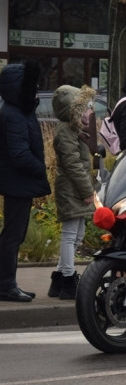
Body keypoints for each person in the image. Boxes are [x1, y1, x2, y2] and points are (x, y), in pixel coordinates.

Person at [0, 63, 51, 302]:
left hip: (18, 182)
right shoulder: (14, 114)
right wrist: (40, 168)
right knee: (13, 235)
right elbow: (19, 153)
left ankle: (8, 283)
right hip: (17, 183)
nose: (37, 88)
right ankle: (6, 284)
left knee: (14, 234)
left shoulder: (19, 111)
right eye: (32, 85)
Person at [48, 85, 97, 300]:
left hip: (76, 187)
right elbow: (73, 164)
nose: (89, 112)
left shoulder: (75, 129)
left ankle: (59, 277)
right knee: (70, 235)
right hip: (72, 189)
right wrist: (88, 191)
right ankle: (68, 280)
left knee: (77, 235)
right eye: (85, 108)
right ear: (73, 111)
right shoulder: (65, 131)